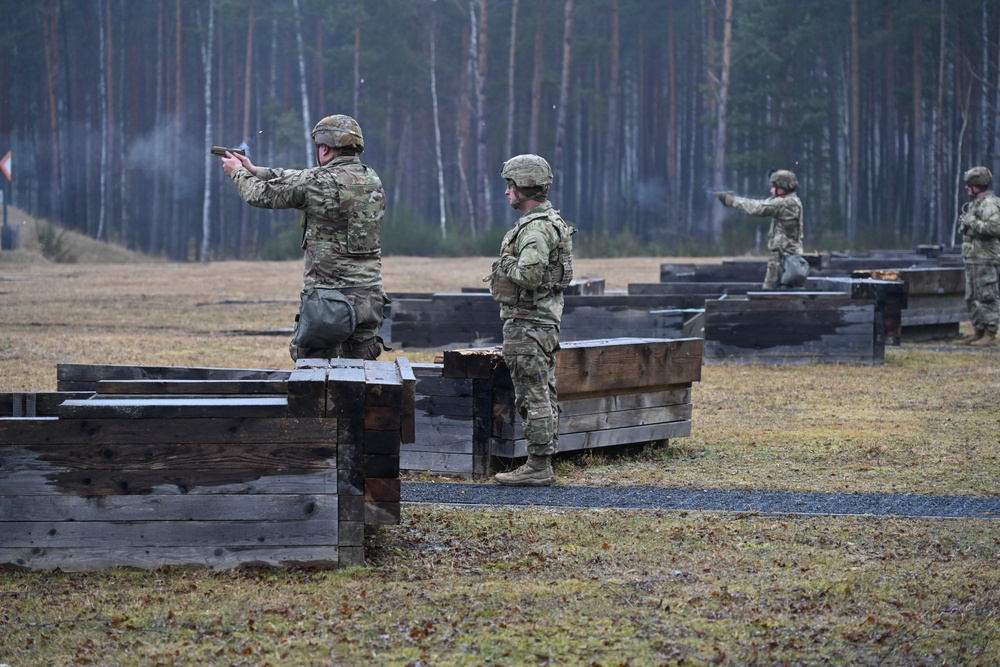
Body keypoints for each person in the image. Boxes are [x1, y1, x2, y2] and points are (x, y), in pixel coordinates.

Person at [220, 114, 389, 361]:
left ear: (325, 148)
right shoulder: (371, 178)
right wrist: (255, 169)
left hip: (330, 301)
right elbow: (298, 177)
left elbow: (260, 195)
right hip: (370, 298)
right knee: (363, 372)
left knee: (314, 371)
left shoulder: (317, 182)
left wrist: (237, 173)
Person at [488, 154, 576, 486]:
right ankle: (542, 459)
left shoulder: (536, 229)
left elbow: (530, 273)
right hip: (542, 323)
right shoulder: (551, 221)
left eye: (511, 185)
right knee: (543, 391)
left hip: (528, 324)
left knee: (532, 394)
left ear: (525, 187)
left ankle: (538, 466)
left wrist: (504, 264)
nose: (507, 192)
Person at [716, 169, 804, 289]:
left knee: (768, 296)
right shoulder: (793, 200)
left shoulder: (784, 203)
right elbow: (765, 203)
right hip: (790, 257)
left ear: (782, 188)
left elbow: (757, 208)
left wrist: (732, 201)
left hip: (782, 259)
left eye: (774, 187)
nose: (771, 190)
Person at [956, 166, 1000, 346]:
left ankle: (990, 332)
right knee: (972, 296)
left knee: (987, 295)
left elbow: (994, 228)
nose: (967, 188)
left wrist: (971, 222)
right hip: (973, 257)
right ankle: (978, 330)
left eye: (969, 185)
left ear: (977, 185)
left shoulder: (989, 204)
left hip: (985, 258)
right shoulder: (976, 204)